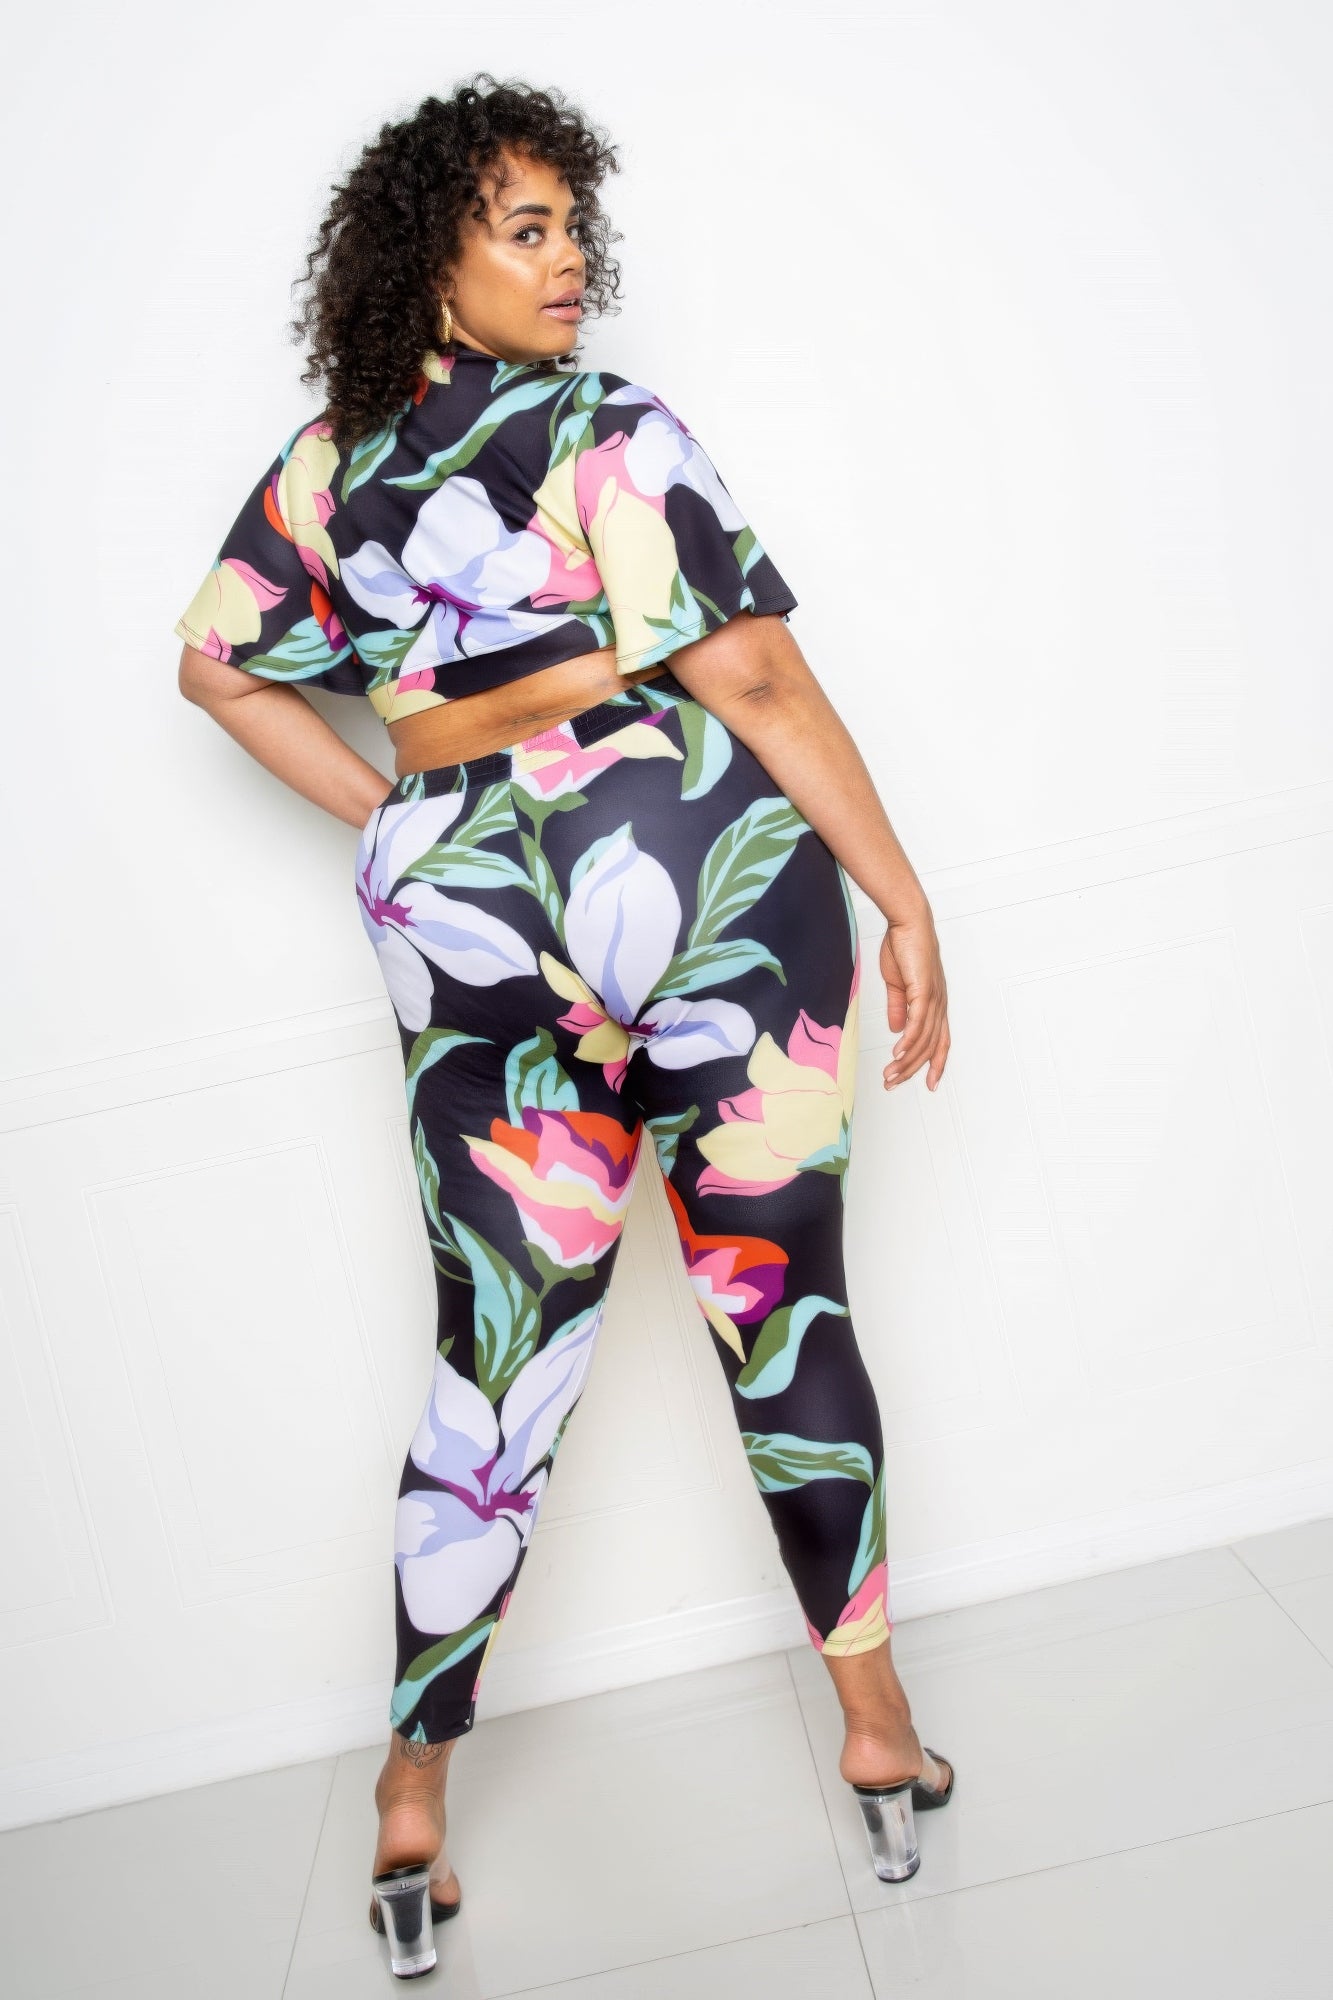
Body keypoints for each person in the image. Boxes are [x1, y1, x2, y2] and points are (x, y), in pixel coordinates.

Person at [174, 75, 954, 1979]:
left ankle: (410, 1800)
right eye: (524, 228)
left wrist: (405, 819)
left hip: (460, 912)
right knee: (778, 1297)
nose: (568, 260)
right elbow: (748, 671)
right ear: (428, 256)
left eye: (572, 228)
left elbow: (215, 665)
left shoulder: (323, 468)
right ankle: (874, 1731)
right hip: (686, 862)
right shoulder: (607, 426)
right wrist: (900, 891)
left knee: (495, 1350)